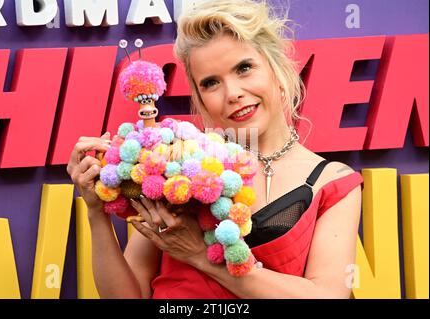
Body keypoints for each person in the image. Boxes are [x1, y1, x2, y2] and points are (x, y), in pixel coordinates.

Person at [67, 0, 363, 299]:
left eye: (244, 68)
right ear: (200, 97)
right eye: (211, 83)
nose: (233, 93)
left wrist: (199, 254)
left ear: (277, 68)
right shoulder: (178, 163)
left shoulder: (333, 183)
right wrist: (96, 212)